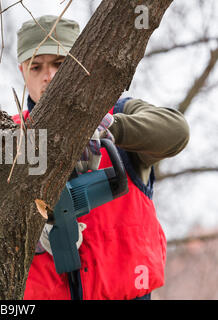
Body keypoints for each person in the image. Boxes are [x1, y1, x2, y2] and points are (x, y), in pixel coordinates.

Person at [12, 15, 190, 300]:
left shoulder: (118, 114)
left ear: (82, 64)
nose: (49, 76)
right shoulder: (11, 138)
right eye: (37, 67)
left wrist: (110, 129)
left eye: (60, 64)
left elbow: (176, 131)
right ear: (23, 72)